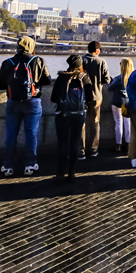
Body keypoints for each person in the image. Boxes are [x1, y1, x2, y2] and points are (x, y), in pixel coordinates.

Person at [0, 36, 51, 176]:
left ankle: (8, 166)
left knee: (11, 134)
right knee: (31, 133)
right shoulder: (38, 60)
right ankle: (30, 165)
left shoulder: (8, 62)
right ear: (32, 46)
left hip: (13, 101)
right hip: (33, 101)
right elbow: (47, 80)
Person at [51, 54, 94, 183]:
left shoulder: (62, 78)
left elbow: (53, 98)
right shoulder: (84, 78)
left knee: (62, 143)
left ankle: (60, 173)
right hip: (79, 114)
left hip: (63, 114)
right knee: (75, 142)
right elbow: (90, 98)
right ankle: (72, 173)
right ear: (80, 65)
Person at [81, 41, 111, 159]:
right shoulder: (101, 61)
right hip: (96, 96)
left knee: (81, 124)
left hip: (82, 96)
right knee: (94, 123)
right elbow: (107, 80)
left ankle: (80, 151)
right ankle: (93, 149)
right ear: (97, 50)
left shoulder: (81, 60)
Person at [107, 58, 134, 153]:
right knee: (127, 123)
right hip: (128, 103)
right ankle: (128, 144)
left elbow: (109, 88)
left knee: (118, 123)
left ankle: (118, 145)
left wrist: (111, 81)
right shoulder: (133, 78)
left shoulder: (118, 78)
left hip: (117, 102)